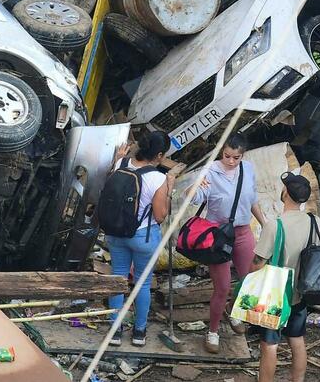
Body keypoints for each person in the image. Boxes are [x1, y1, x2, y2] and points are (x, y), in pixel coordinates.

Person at [192, 136, 267, 353]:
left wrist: (264, 224)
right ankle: (213, 331)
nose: (231, 161)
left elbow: (252, 199)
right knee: (222, 287)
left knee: (247, 281)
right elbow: (196, 196)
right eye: (227, 156)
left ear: (243, 155)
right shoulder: (211, 171)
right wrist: (194, 187)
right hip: (217, 235)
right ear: (221, 152)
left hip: (243, 232)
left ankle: (232, 310)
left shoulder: (248, 169)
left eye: (236, 157)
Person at [251, 172, 320, 382]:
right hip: (302, 292)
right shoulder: (315, 223)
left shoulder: (275, 225)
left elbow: (258, 263)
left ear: (285, 193)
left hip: (274, 294)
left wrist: (248, 284)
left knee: (269, 345)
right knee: (297, 340)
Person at [106, 130, 175, 347]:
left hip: (116, 233)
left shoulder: (121, 164)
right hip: (143, 237)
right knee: (142, 284)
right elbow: (160, 215)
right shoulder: (158, 178)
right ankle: (139, 331)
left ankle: (115, 331)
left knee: (117, 278)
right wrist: (169, 190)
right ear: (160, 155)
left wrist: (118, 157)